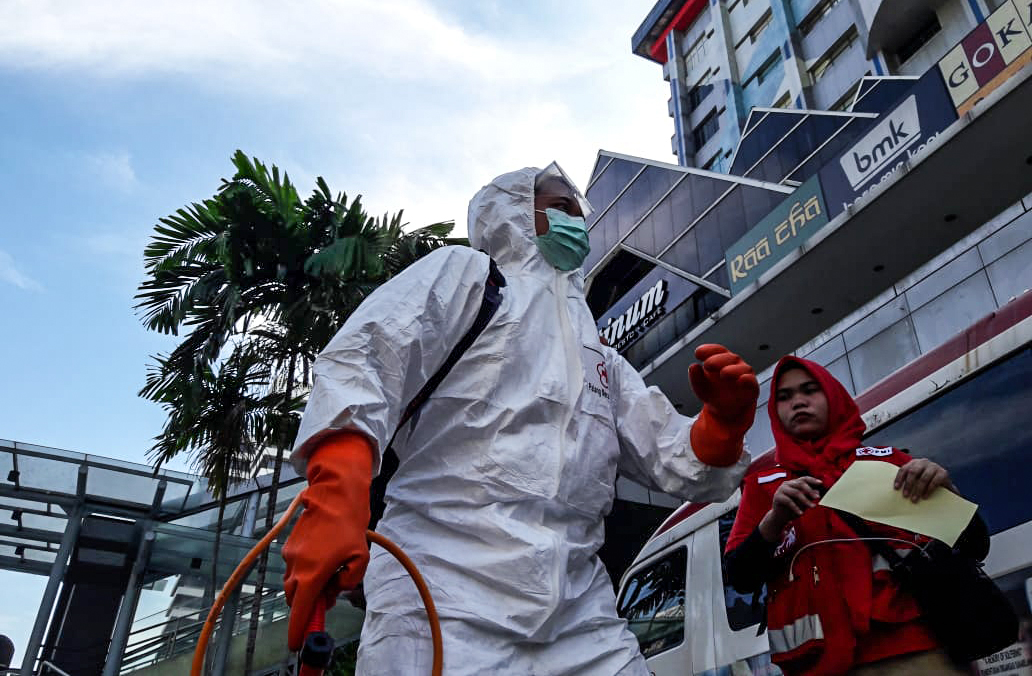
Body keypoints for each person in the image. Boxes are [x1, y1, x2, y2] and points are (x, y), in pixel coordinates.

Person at [281, 164, 761, 675]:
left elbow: (678, 459)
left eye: (579, 212)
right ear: (511, 213)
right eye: (559, 207)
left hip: (582, 618)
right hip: (440, 602)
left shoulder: (601, 359)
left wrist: (723, 424)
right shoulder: (466, 277)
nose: (576, 220)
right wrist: (335, 490)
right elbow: (369, 358)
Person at [724, 356, 989, 676]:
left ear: (833, 396)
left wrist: (948, 489)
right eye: (785, 396)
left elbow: (975, 544)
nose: (798, 402)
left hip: (913, 651)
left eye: (810, 390)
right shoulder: (762, 488)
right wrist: (774, 521)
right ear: (775, 412)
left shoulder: (888, 463)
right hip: (818, 667)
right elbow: (739, 576)